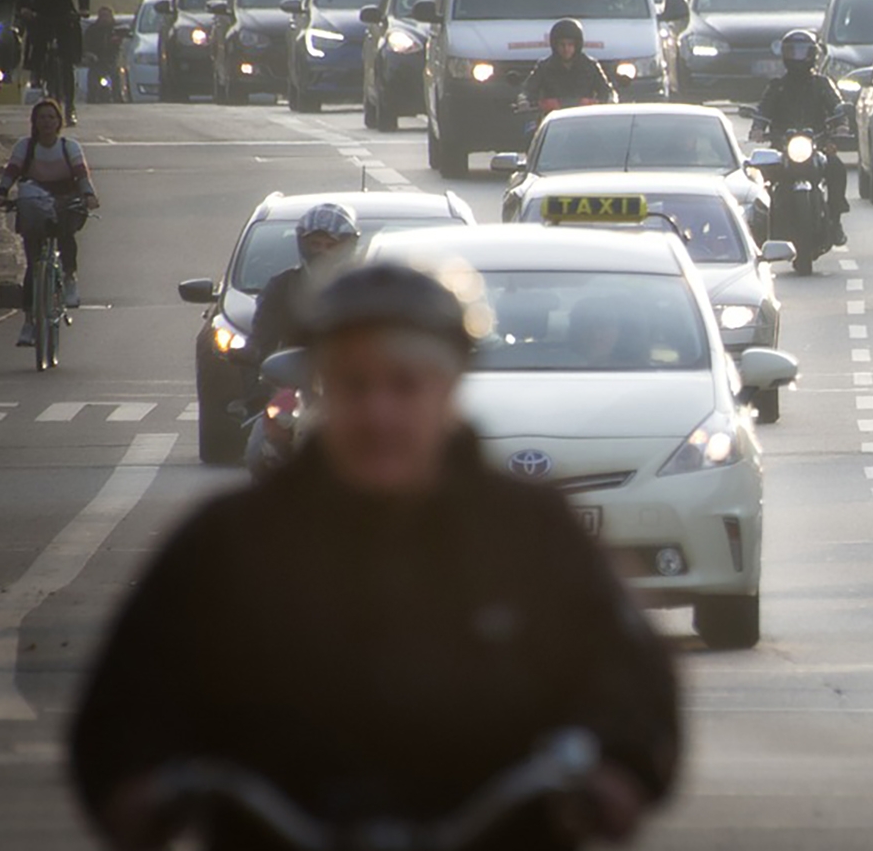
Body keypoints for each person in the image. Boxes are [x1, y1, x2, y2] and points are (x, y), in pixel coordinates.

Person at [68, 261, 680, 850]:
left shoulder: (534, 534)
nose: (379, 413)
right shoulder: (229, 542)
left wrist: (616, 766)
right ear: (320, 390)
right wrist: (137, 783)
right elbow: (129, 697)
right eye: (355, 385)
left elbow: (629, 679)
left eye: (405, 385)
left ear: (449, 391)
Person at [0, 99, 100, 342]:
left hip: (65, 200)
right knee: (33, 266)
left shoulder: (69, 146)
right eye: (42, 117)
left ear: (59, 122)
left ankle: (70, 277)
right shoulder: (25, 146)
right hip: (34, 202)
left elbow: (81, 174)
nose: (47, 122)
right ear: (34, 122)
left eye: (52, 117)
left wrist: (89, 195)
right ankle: (29, 322)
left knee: (66, 234)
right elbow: (11, 171)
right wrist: (2, 193)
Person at [751, 29, 849, 245]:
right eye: (792, 51)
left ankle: (835, 219)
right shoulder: (777, 86)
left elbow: (837, 107)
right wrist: (758, 127)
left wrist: (841, 125)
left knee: (836, 168)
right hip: (782, 147)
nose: (797, 57)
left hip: (817, 145)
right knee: (763, 174)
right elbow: (763, 110)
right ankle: (764, 225)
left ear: (813, 54)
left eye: (802, 51)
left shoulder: (822, 84)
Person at [248, 202, 361, 365]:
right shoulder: (282, 286)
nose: (322, 252)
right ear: (303, 245)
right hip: (295, 375)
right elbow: (262, 333)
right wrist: (252, 350)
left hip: (352, 375)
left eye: (331, 246)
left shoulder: (364, 287)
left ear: (347, 247)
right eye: (316, 244)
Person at [17, 0, 91, 125]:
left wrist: (84, 8)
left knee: (67, 62)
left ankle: (70, 107)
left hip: (64, 14)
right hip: (42, 13)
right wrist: (24, 8)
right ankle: (37, 71)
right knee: (37, 43)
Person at [516, 18, 615, 120]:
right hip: (553, 120)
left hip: (586, 120)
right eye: (562, 44)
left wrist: (606, 102)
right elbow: (528, 90)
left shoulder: (590, 66)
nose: (566, 49)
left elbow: (607, 92)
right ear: (555, 45)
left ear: (577, 45)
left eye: (570, 44)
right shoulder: (544, 67)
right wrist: (524, 101)